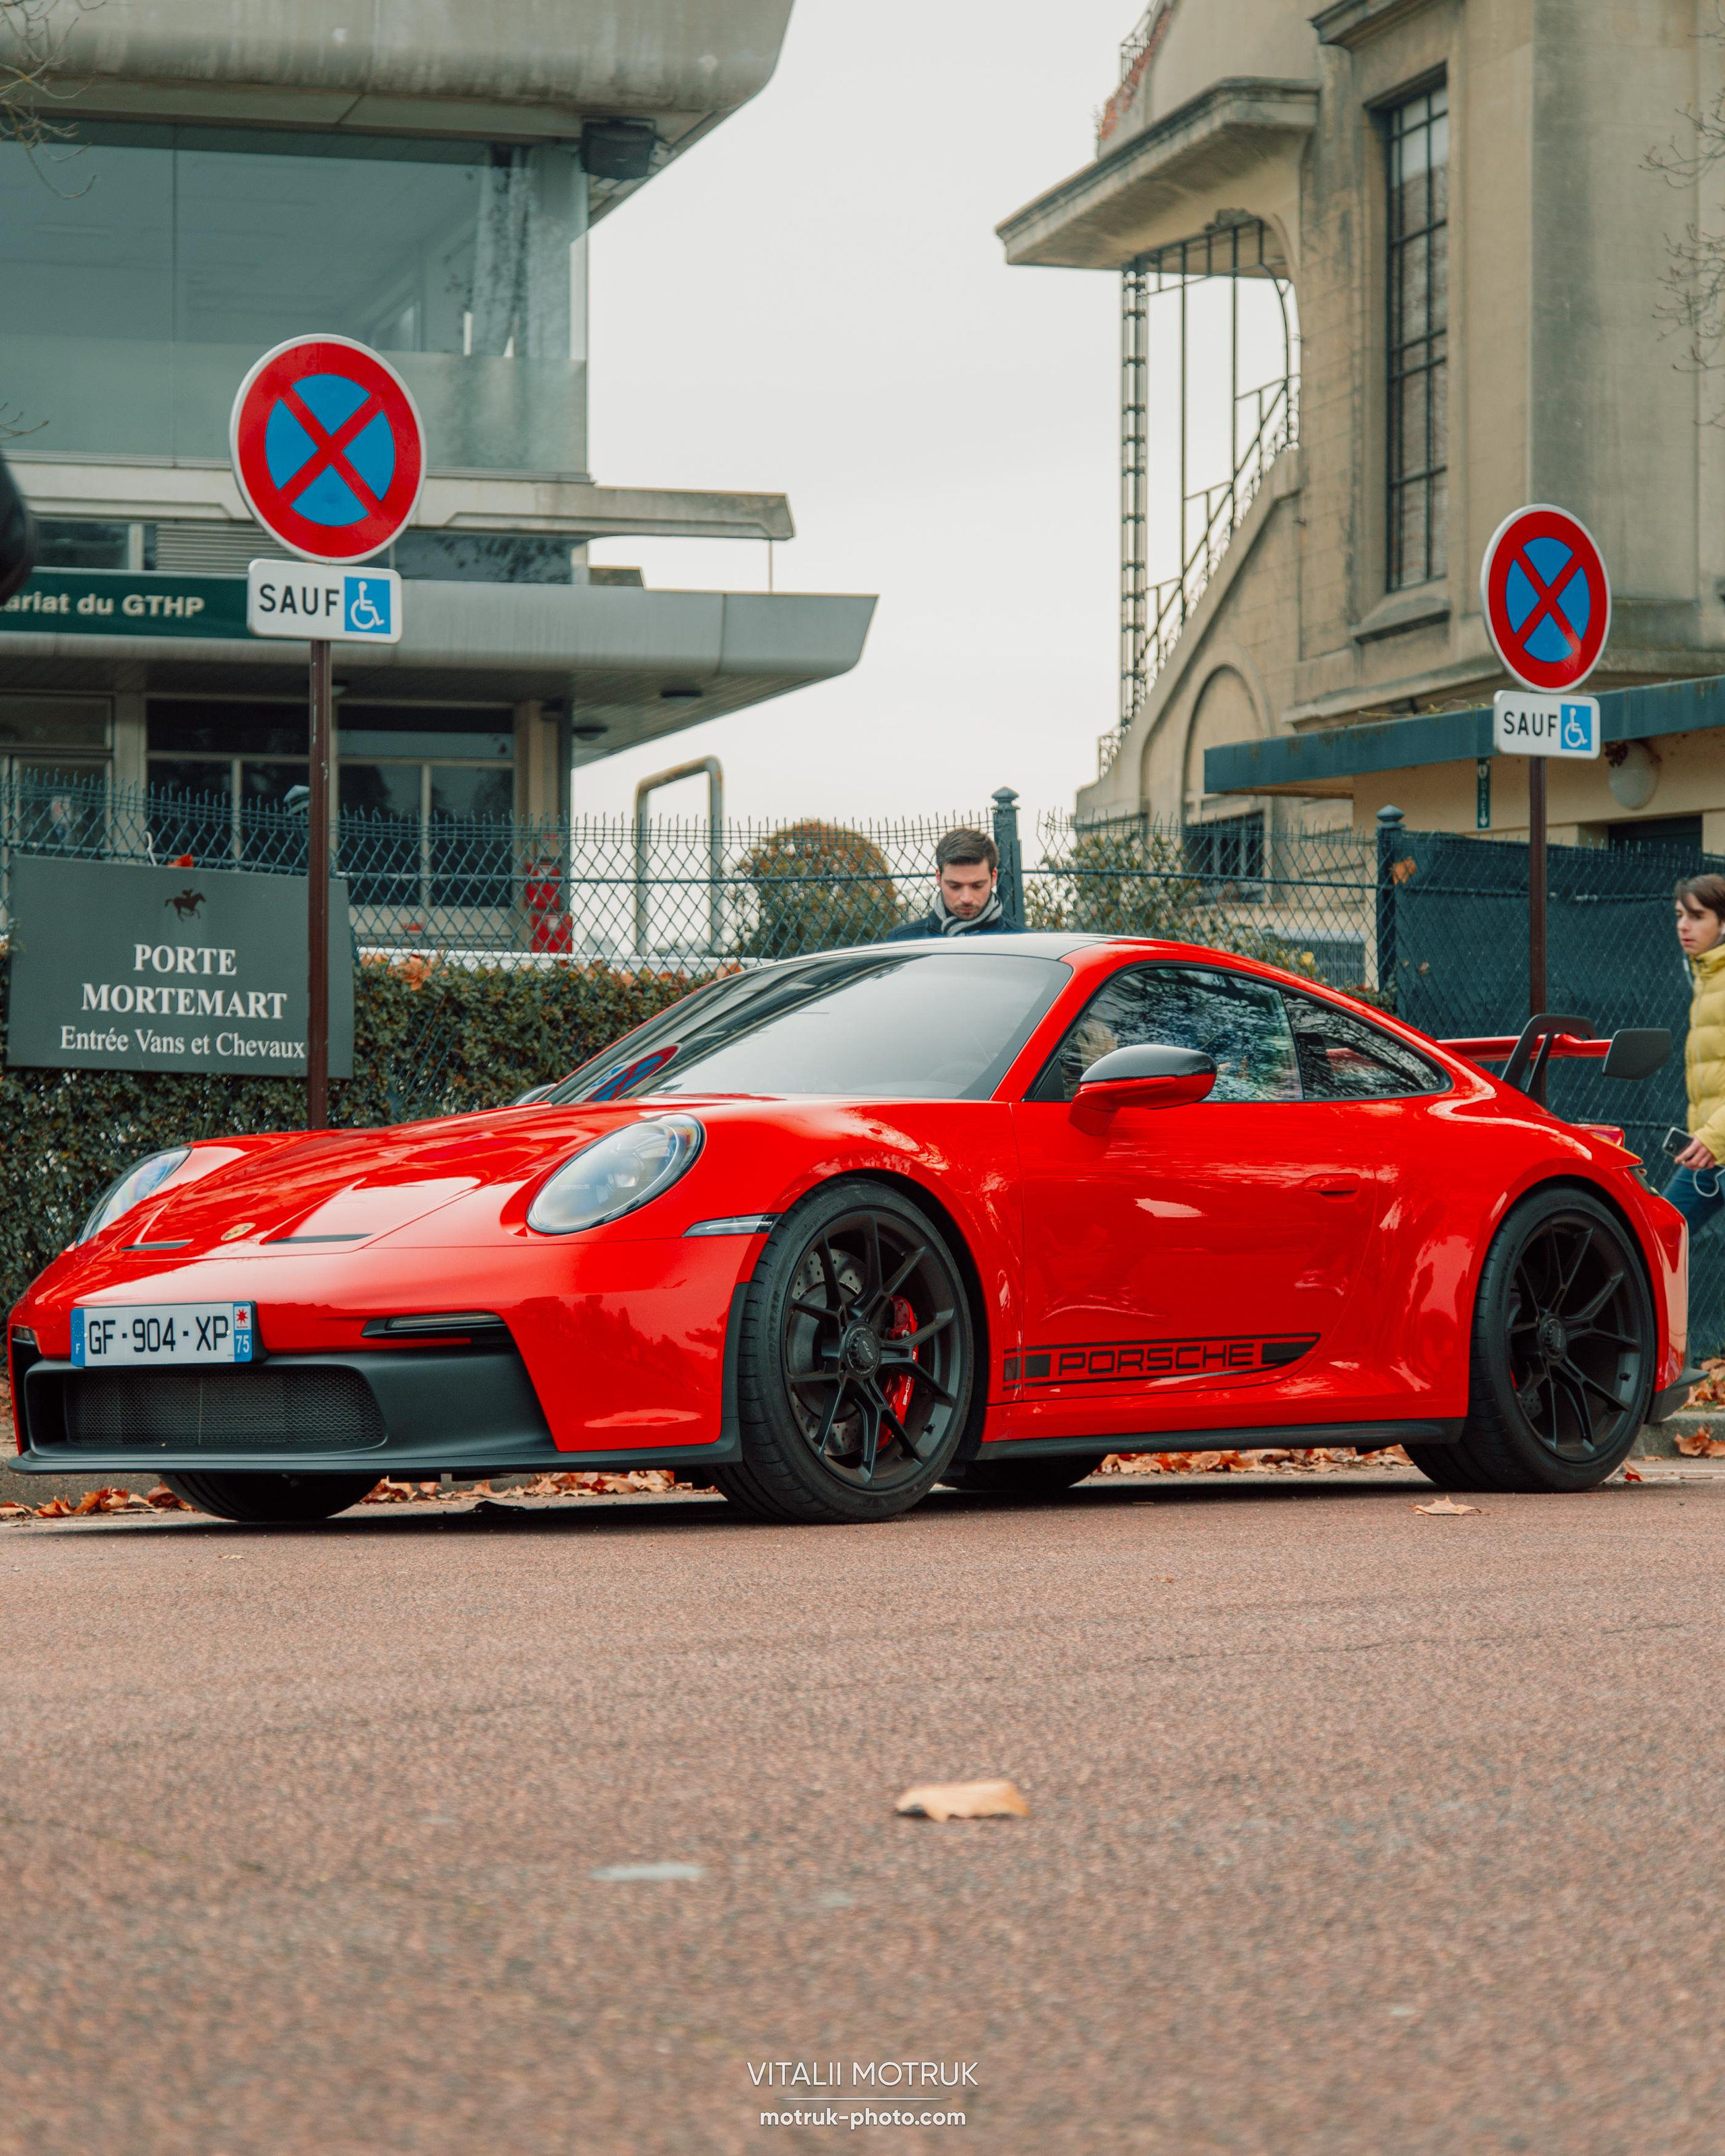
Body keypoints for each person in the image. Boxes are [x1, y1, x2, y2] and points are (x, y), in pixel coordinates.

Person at [1668, 872, 1725, 1240]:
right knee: (1658, 1236)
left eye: (1698, 915)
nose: (1684, 926)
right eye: (1679, 915)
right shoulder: (1707, 977)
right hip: (1709, 1151)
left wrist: (1714, 1136)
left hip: (1713, 1141)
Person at [884, 827, 1024, 941]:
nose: (966, 898)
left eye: (977, 886)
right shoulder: (904, 941)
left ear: (993, 878)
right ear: (939, 878)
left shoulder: (1023, 943)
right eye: (954, 886)